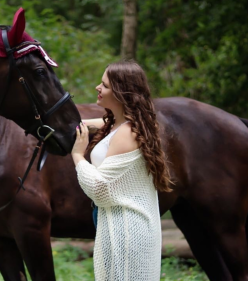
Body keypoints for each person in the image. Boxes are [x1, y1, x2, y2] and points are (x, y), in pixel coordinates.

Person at [72, 61, 172, 280]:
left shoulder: (126, 133)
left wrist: (78, 156)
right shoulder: (124, 123)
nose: (98, 88)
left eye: (105, 85)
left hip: (126, 230)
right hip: (119, 223)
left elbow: (100, 188)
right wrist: (74, 123)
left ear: (121, 93)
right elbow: (103, 124)